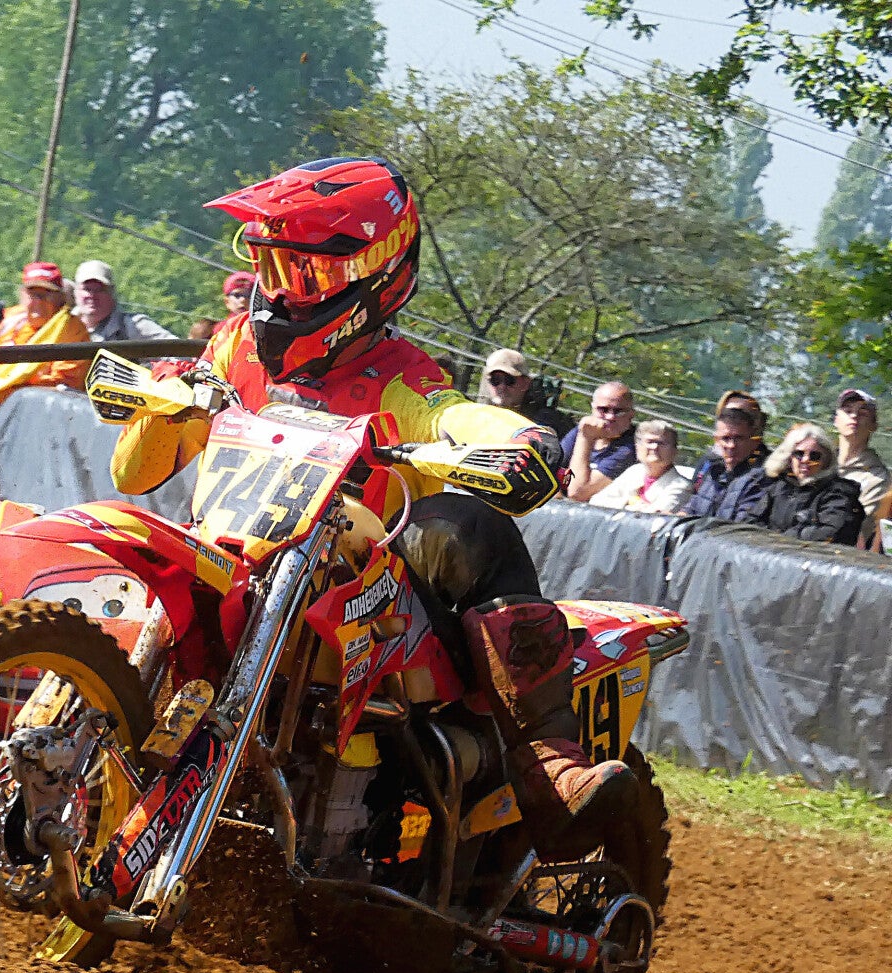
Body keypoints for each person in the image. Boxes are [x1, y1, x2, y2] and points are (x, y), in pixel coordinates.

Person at [115, 156, 630, 861]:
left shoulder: (400, 376)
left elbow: (451, 415)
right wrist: (166, 401)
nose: (284, 293)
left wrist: (518, 435)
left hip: (361, 591)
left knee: (466, 525)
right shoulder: (236, 346)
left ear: (375, 276)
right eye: (272, 267)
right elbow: (135, 472)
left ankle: (549, 763)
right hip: (232, 557)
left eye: (307, 273)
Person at [0, 261, 90, 479]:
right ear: (22, 295)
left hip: (27, 445)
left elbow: (62, 385)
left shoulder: (73, 333)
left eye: (46, 295)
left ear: (60, 298)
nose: (38, 302)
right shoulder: (9, 322)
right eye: (33, 294)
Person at [745, 423, 865, 545]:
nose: (805, 460)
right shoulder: (778, 487)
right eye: (799, 454)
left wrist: (781, 539)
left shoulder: (839, 493)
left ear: (826, 460)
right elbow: (750, 523)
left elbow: (830, 533)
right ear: (789, 457)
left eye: (814, 456)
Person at [681, 401, 767, 521]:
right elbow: (691, 509)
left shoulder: (759, 480)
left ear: (753, 442)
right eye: (726, 438)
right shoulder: (713, 473)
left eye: (739, 438)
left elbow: (741, 525)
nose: (731, 445)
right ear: (716, 440)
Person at [589, 420, 693, 513]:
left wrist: (622, 505)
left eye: (661, 443)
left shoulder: (682, 486)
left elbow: (654, 517)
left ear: (675, 451)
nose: (654, 447)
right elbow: (596, 501)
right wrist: (630, 505)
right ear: (637, 447)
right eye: (650, 442)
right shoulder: (634, 471)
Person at [833, 389, 890, 545]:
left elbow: (860, 530)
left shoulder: (878, 479)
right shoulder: (813, 461)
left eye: (863, 412)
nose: (854, 416)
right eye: (848, 411)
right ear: (836, 420)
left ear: (874, 425)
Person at [563, 381, 637, 500]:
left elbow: (578, 493)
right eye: (603, 409)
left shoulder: (632, 447)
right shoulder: (583, 430)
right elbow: (547, 470)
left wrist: (586, 438)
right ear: (592, 408)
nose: (610, 417)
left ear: (631, 414)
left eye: (618, 411)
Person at [476, 348, 575, 437]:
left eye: (509, 380)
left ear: (526, 383)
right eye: (495, 380)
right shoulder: (480, 417)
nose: (502, 386)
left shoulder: (544, 422)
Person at [73, 260, 175, 343]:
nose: (92, 296)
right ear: (76, 292)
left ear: (112, 293)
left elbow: (178, 351)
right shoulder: (66, 327)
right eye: (87, 289)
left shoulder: (133, 326)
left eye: (99, 290)